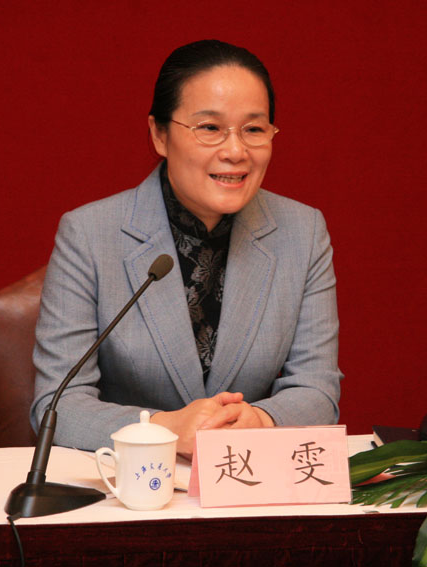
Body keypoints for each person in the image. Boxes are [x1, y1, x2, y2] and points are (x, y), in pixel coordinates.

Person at [30, 39, 343, 456]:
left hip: (246, 473)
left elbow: (317, 388)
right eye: (210, 128)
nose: (236, 152)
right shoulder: (89, 234)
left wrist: (259, 421)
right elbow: (57, 404)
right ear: (159, 135)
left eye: (253, 129)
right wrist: (163, 428)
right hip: (129, 480)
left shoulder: (302, 232)